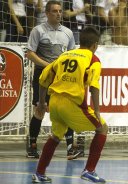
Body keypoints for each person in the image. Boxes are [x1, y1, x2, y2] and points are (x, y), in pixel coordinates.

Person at [32, 26, 108, 184]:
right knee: (102, 128)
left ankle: (39, 173)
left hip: (54, 102)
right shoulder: (93, 59)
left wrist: (41, 102)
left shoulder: (64, 55)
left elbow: (43, 78)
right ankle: (89, 170)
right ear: (95, 45)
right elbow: (94, 86)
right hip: (71, 104)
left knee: (55, 135)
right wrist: (97, 112)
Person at [26, 0, 81, 160]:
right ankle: (32, 146)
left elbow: (72, 55)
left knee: (65, 109)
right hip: (42, 76)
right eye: (55, 11)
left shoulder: (68, 33)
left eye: (60, 11)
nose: (58, 14)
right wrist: (49, 66)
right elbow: (30, 53)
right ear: (47, 13)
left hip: (61, 78)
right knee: (40, 109)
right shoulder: (38, 30)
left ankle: (71, 148)